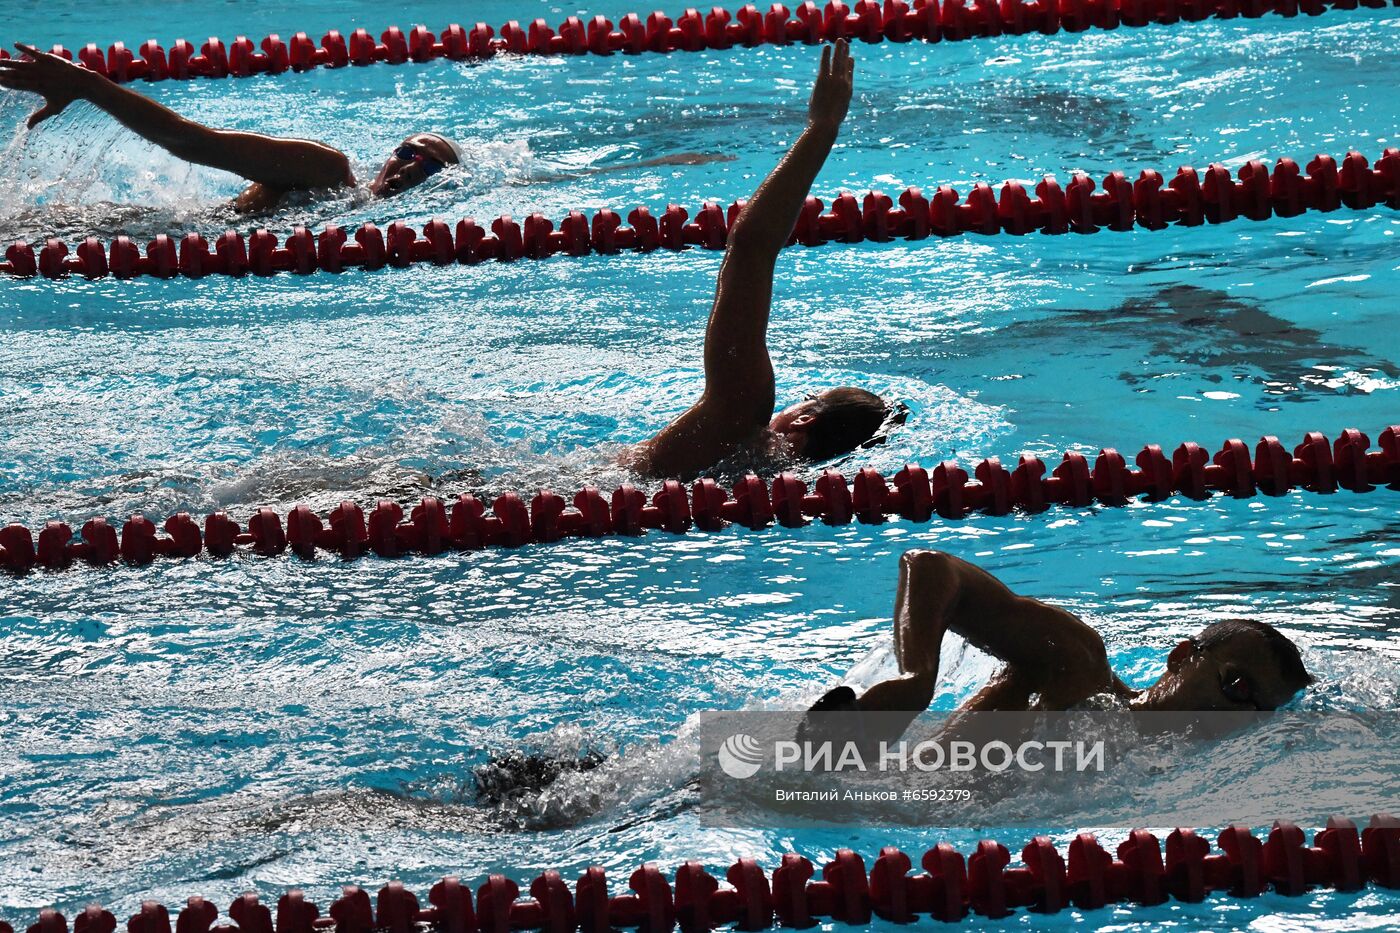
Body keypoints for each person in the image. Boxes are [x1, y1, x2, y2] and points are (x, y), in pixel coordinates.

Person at [0, 41, 722, 213]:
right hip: (127, 235)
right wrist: (90, 86)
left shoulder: (350, 212)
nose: (410, 166)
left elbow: (550, 179)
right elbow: (194, 143)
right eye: (409, 152)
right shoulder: (326, 171)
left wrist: (653, 168)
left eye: (429, 166)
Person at [630, 39, 893, 479]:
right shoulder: (768, 487)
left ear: (805, 419)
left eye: (808, 397)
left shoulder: (738, 416)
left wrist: (822, 128)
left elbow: (750, 247)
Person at [808, 550, 1313, 738]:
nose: (1239, 713)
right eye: (1236, 685)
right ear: (1181, 656)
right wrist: (917, 679)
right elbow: (931, 568)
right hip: (871, 794)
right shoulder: (1080, 669)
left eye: (1259, 710)